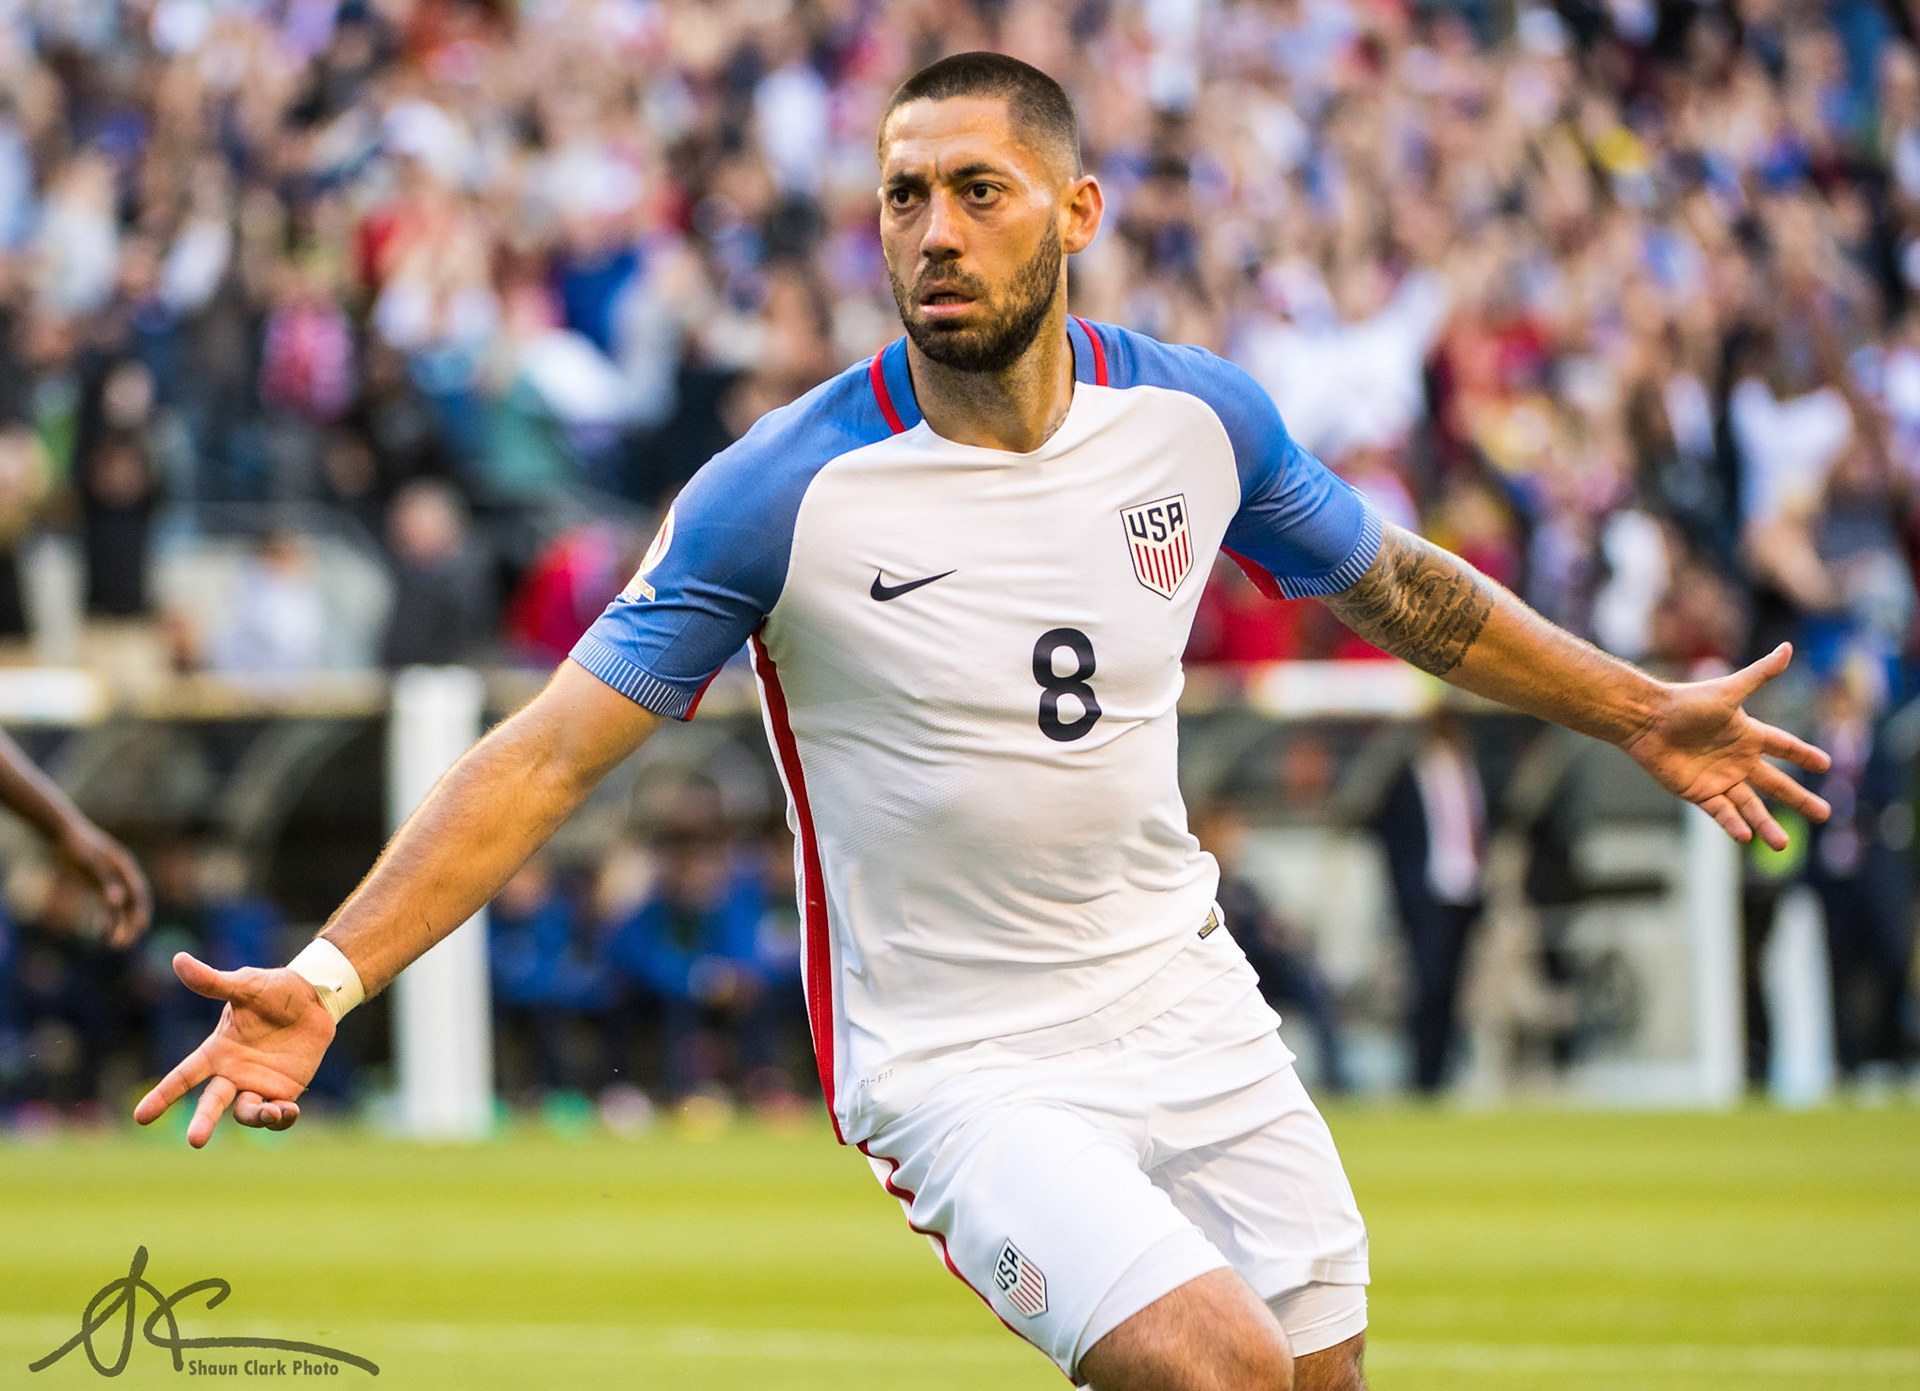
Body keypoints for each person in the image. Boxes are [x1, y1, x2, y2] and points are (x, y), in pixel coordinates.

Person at [135, 55, 1832, 1391]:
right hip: (960, 1060)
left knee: (1314, 1380)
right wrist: (334, 979)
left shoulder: (1196, 417)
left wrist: (1639, 715)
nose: (933, 232)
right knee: (1220, 1371)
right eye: (900, 199)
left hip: (1189, 999)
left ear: (1075, 208)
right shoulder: (780, 490)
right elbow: (552, 753)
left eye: (977, 192)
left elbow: (1408, 592)